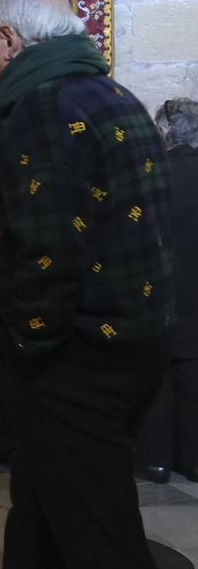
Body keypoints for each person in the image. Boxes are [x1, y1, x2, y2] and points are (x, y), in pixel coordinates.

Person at [0, 0, 172, 569]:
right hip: (134, 338)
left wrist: (24, 345)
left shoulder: (42, 108)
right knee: (41, 508)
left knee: (98, 534)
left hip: (77, 360)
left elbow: (49, 252)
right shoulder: (113, 94)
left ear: (9, 40)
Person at [140, 99, 198, 484]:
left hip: (159, 283)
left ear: (165, 131)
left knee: (157, 368)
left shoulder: (154, 172)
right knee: (192, 370)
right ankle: (193, 459)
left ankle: (156, 459)